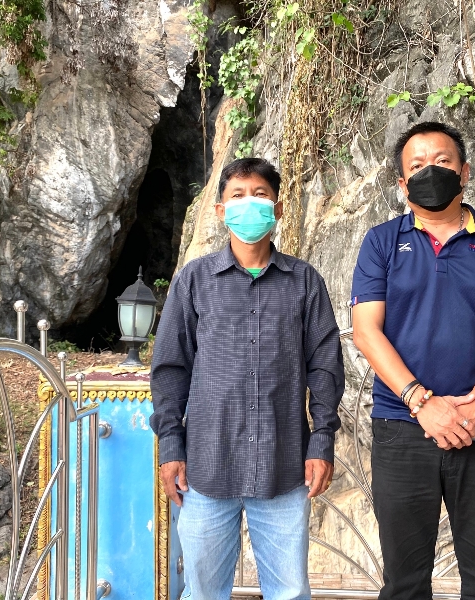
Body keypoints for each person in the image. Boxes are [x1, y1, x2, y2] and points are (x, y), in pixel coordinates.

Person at [350, 121, 475, 600]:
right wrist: (421, 402)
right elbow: (366, 331)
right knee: (405, 583)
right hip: (402, 426)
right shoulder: (381, 242)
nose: (429, 172)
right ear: (402, 183)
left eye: (442, 161)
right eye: (417, 166)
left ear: (465, 172)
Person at [150, 157, 345, 600]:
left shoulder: (304, 282)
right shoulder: (194, 280)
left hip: (283, 466)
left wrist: (321, 441)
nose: (249, 203)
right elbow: (170, 369)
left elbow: (325, 366)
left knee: (290, 592)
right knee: (202, 593)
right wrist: (170, 446)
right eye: (237, 196)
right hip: (206, 468)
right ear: (220, 210)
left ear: (278, 208)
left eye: (260, 194)